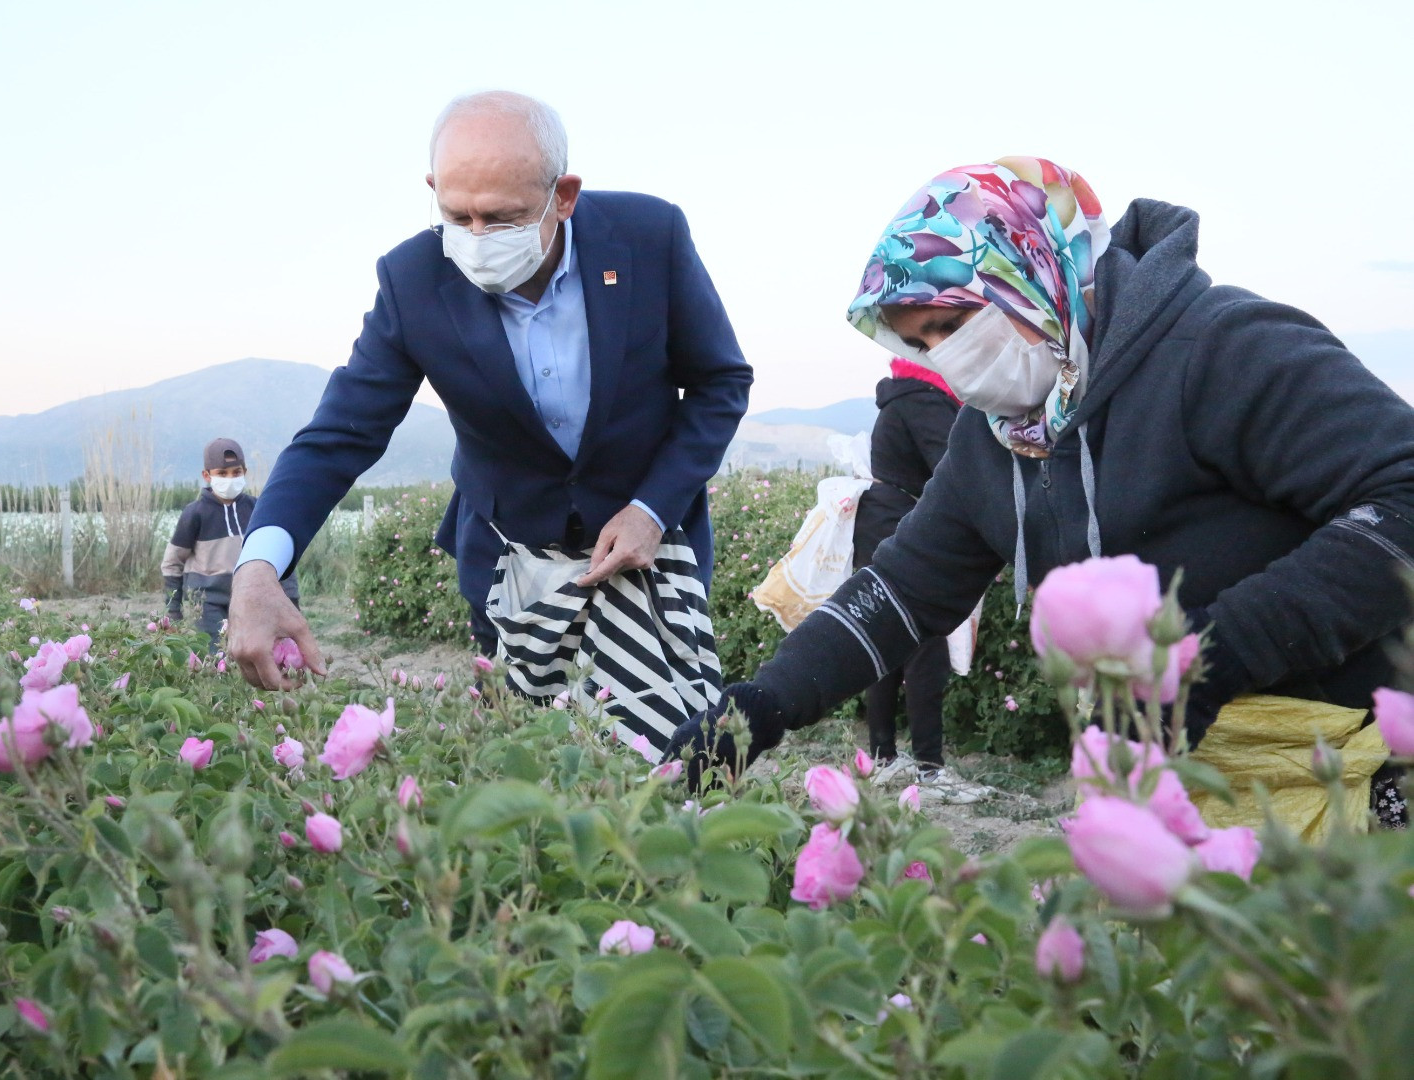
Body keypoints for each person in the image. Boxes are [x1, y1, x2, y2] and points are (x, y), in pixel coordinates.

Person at [664, 157, 1414, 828]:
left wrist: (1212, 654)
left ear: (1025, 272)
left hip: (1345, 749)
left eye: (951, 324)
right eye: (921, 344)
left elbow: (1402, 496)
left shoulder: (1220, 349)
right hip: (1174, 783)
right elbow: (900, 590)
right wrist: (760, 705)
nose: (947, 362)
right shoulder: (999, 437)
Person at [227, 91, 752, 709]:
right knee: (529, 756)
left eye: (502, 219)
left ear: (564, 195)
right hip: (509, 563)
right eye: (457, 215)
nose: (477, 238)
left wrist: (651, 507)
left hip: (649, 553)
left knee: (668, 752)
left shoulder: (648, 237)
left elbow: (720, 383)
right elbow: (340, 437)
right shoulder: (413, 281)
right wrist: (258, 565)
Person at [851, 358, 986, 801]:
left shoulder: (901, 396)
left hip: (883, 525)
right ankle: (929, 769)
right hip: (907, 529)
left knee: (886, 646)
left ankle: (882, 758)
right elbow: (956, 471)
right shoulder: (924, 400)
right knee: (926, 646)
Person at [161, 438, 299, 651]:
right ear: (207, 476)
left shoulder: (258, 508)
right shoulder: (195, 513)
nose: (230, 479)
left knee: (251, 653)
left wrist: (291, 600)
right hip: (207, 602)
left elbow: (280, 556)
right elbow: (172, 563)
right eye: (222, 474)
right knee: (215, 656)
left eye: (236, 473)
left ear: (245, 471)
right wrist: (173, 611)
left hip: (251, 598)